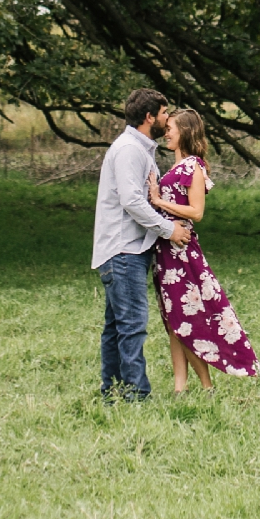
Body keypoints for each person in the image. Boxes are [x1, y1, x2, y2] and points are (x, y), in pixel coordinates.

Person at [147, 108, 260, 389]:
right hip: (165, 253)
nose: (167, 132)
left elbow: (196, 212)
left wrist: (159, 201)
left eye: (172, 127)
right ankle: (179, 388)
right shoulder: (174, 168)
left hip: (181, 253)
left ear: (185, 131)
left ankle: (207, 386)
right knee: (173, 324)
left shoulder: (193, 167)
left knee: (184, 321)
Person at [93, 88, 184, 400]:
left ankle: (113, 390)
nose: (166, 118)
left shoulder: (138, 148)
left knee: (116, 325)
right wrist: (167, 229)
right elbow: (132, 200)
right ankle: (135, 394)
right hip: (123, 250)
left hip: (124, 249)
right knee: (132, 324)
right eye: (163, 113)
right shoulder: (130, 150)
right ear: (149, 117)